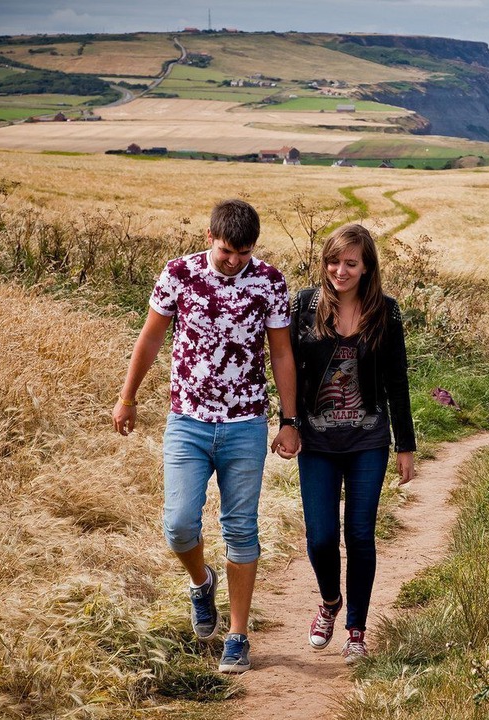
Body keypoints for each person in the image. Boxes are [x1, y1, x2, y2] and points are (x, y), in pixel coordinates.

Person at [112, 198, 300, 674]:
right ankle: (201, 584)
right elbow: (151, 337)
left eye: (243, 252)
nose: (234, 260)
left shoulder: (271, 282)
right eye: (225, 250)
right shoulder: (178, 273)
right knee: (178, 523)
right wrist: (127, 397)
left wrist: (289, 419)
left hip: (245, 425)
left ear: (253, 247)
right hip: (188, 422)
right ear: (208, 239)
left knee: (241, 528)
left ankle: (236, 636)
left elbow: (280, 353)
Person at [290, 222, 416, 664]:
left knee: (359, 534)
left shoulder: (386, 311)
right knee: (322, 537)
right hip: (318, 442)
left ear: (366, 268)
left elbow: (397, 381)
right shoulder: (305, 305)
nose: (339, 271)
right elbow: (287, 368)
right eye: (332, 261)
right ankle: (329, 601)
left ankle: (356, 630)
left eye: (350, 263)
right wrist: (287, 421)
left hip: (368, 440)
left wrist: (406, 444)